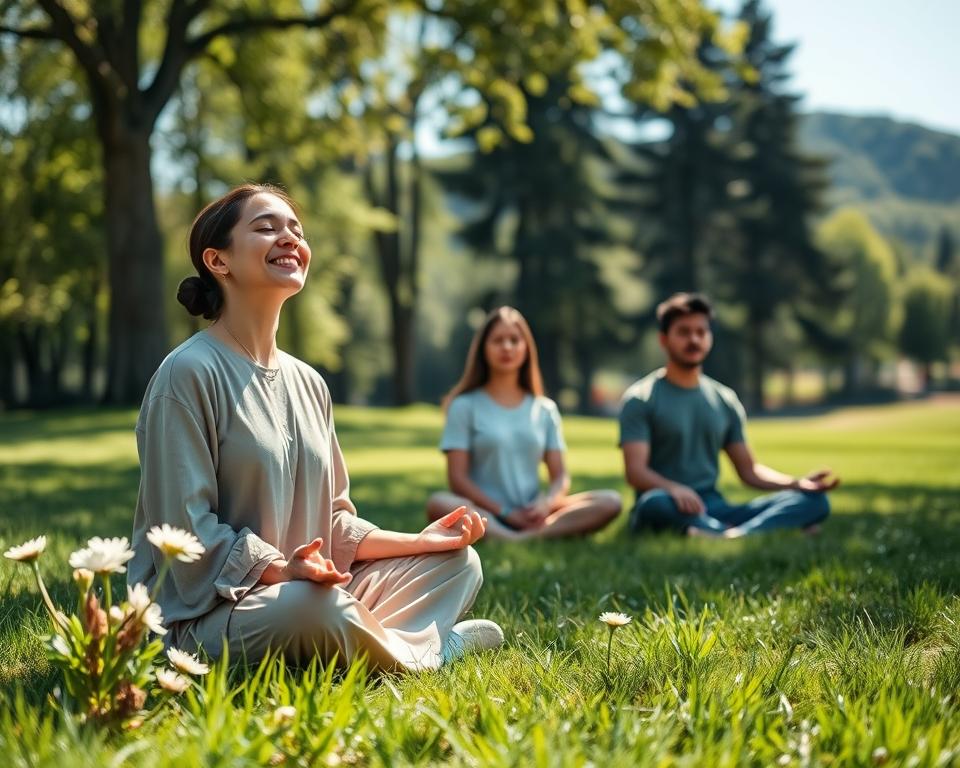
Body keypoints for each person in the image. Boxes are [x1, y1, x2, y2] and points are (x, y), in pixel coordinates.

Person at [128, 183, 502, 671]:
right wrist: (283, 571)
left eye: (295, 230)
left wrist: (421, 542)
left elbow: (335, 522)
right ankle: (424, 652)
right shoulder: (187, 374)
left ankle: (367, 642)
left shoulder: (309, 383)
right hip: (205, 617)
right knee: (308, 606)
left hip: (307, 592)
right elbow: (182, 532)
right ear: (218, 262)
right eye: (266, 228)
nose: (289, 238)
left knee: (458, 565)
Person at [619, 292, 838, 538]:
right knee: (654, 503)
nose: (694, 339)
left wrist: (797, 484)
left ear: (710, 337)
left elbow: (749, 471)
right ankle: (741, 532)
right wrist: (674, 489)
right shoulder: (641, 398)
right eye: (683, 332)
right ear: (663, 339)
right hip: (669, 502)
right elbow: (635, 472)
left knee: (816, 502)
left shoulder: (724, 400)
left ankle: (727, 535)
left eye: (701, 332)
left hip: (715, 508)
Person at [427, 306, 621, 541]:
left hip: (534, 513)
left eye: (514, 340)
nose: (507, 347)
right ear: (483, 349)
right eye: (498, 340)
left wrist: (546, 503)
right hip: (486, 512)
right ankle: (512, 536)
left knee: (611, 501)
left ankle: (531, 535)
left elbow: (560, 476)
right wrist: (505, 513)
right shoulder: (464, 406)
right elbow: (458, 480)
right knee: (439, 503)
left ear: (526, 348)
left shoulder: (545, 409)